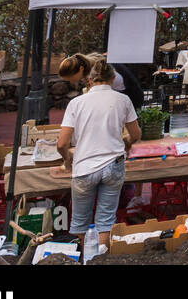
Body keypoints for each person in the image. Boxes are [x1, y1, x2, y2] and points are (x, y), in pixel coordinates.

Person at [57, 59, 141, 252]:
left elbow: (61, 143)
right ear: (113, 78)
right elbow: (136, 134)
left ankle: (80, 254)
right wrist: (126, 143)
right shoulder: (123, 100)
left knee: (79, 221)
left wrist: (67, 160)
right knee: (105, 219)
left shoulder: (76, 103)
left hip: (84, 166)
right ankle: (102, 253)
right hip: (113, 164)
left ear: (90, 80)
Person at [58, 54, 143, 111]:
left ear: (80, 69)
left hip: (131, 98)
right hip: (118, 98)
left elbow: (103, 99)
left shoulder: (100, 71)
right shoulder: (90, 68)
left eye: (70, 78)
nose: (70, 81)